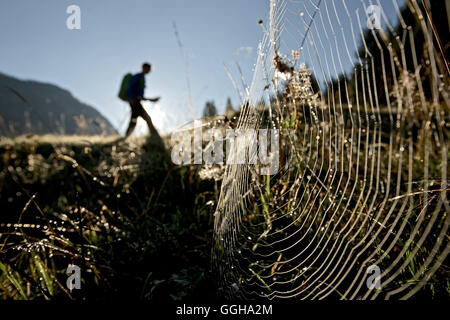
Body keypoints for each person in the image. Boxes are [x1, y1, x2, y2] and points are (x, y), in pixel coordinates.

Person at [124, 62, 160, 138]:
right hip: (135, 101)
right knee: (147, 118)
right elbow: (130, 87)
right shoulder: (139, 76)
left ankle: (125, 137)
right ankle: (155, 136)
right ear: (144, 68)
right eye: (149, 69)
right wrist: (131, 99)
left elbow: (141, 96)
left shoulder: (141, 77)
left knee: (134, 120)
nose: (149, 71)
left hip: (135, 101)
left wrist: (152, 100)